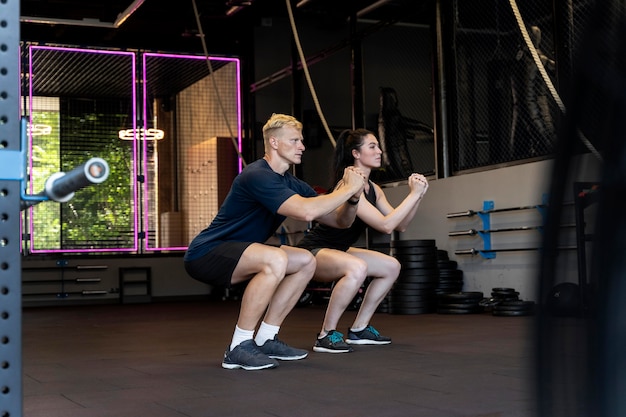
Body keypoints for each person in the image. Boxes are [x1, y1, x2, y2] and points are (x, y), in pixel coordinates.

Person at [183, 113, 365, 370]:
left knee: (304, 260)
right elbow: (307, 212)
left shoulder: (292, 183)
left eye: (301, 140)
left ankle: (266, 337)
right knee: (276, 258)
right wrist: (345, 189)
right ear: (274, 142)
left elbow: (340, 221)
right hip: (208, 252)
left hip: (244, 252)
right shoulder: (256, 175)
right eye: (294, 140)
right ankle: (239, 346)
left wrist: (354, 197)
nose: (302, 146)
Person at [296, 128, 429, 353]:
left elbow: (401, 225)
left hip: (340, 250)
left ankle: (359, 329)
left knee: (391, 266)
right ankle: (325, 334)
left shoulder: (373, 189)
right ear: (356, 154)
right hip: (315, 250)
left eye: (378, 146)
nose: (379, 151)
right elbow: (386, 226)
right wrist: (412, 195)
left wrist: (418, 196)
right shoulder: (348, 185)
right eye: (372, 146)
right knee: (357, 268)